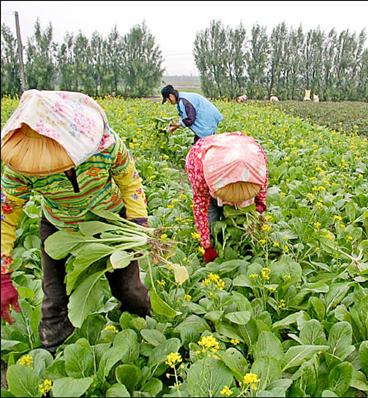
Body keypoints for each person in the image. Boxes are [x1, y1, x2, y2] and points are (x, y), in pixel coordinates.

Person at [0, 90, 150, 353]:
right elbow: (5, 216)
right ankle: (54, 359)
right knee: (54, 301)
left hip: (111, 222)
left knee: (130, 292)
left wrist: (138, 223)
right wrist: (2, 275)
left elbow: (130, 180)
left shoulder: (104, 145)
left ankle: (144, 339)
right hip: (59, 226)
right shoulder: (22, 166)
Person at [185, 132, 268, 263]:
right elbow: (200, 207)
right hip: (205, 160)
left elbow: (262, 187)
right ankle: (214, 239)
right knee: (210, 215)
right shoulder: (199, 170)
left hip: (240, 152)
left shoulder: (257, 165)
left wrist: (260, 204)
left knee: (239, 215)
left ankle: (237, 242)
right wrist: (206, 244)